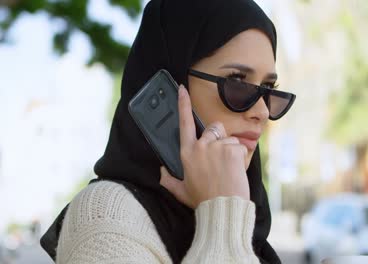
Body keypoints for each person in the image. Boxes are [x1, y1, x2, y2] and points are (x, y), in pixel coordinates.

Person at [42, 0, 295, 263]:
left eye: (267, 88)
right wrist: (224, 218)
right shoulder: (104, 217)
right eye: (238, 83)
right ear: (172, 87)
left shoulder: (250, 220)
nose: (263, 112)